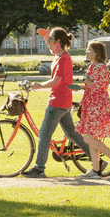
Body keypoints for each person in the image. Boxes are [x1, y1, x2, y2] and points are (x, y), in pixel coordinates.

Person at [21, 27, 92, 178]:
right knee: (73, 134)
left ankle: (39, 168)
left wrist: (39, 85)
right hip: (63, 101)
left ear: (58, 42)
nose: (48, 43)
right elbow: (51, 48)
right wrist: (47, 36)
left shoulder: (63, 59)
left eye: (51, 40)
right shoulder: (59, 55)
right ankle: (97, 160)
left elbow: (55, 81)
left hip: (57, 102)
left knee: (44, 135)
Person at [78, 42, 110, 176]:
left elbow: (99, 87)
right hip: (91, 105)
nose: (86, 52)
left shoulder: (101, 68)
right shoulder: (93, 66)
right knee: (91, 137)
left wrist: (86, 82)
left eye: (89, 50)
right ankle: (96, 170)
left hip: (97, 106)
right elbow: (89, 86)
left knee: (88, 138)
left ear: (96, 53)